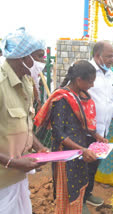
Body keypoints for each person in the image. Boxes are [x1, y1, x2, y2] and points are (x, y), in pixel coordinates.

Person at [34, 60, 107, 214]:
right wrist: (82, 149)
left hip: (78, 150)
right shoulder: (61, 99)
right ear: (79, 80)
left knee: (78, 185)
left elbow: (83, 124)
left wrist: (98, 136)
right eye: (90, 81)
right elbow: (59, 134)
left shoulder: (79, 96)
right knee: (67, 190)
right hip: (65, 155)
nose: (92, 85)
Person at [0, 27, 49, 214]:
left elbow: (25, 127)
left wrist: (38, 147)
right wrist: (12, 163)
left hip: (18, 176)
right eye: (39, 56)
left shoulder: (26, 82)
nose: (42, 62)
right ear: (24, 58)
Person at [85, 40, 113, 207]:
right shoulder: (86, 71)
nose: (112, 59)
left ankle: (88, 194)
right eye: (108, 56)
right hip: (85, 131)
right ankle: (79, 200)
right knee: (81, 165)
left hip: (103, 131)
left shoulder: (111, 75)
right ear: (97, 56)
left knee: (94, 164)